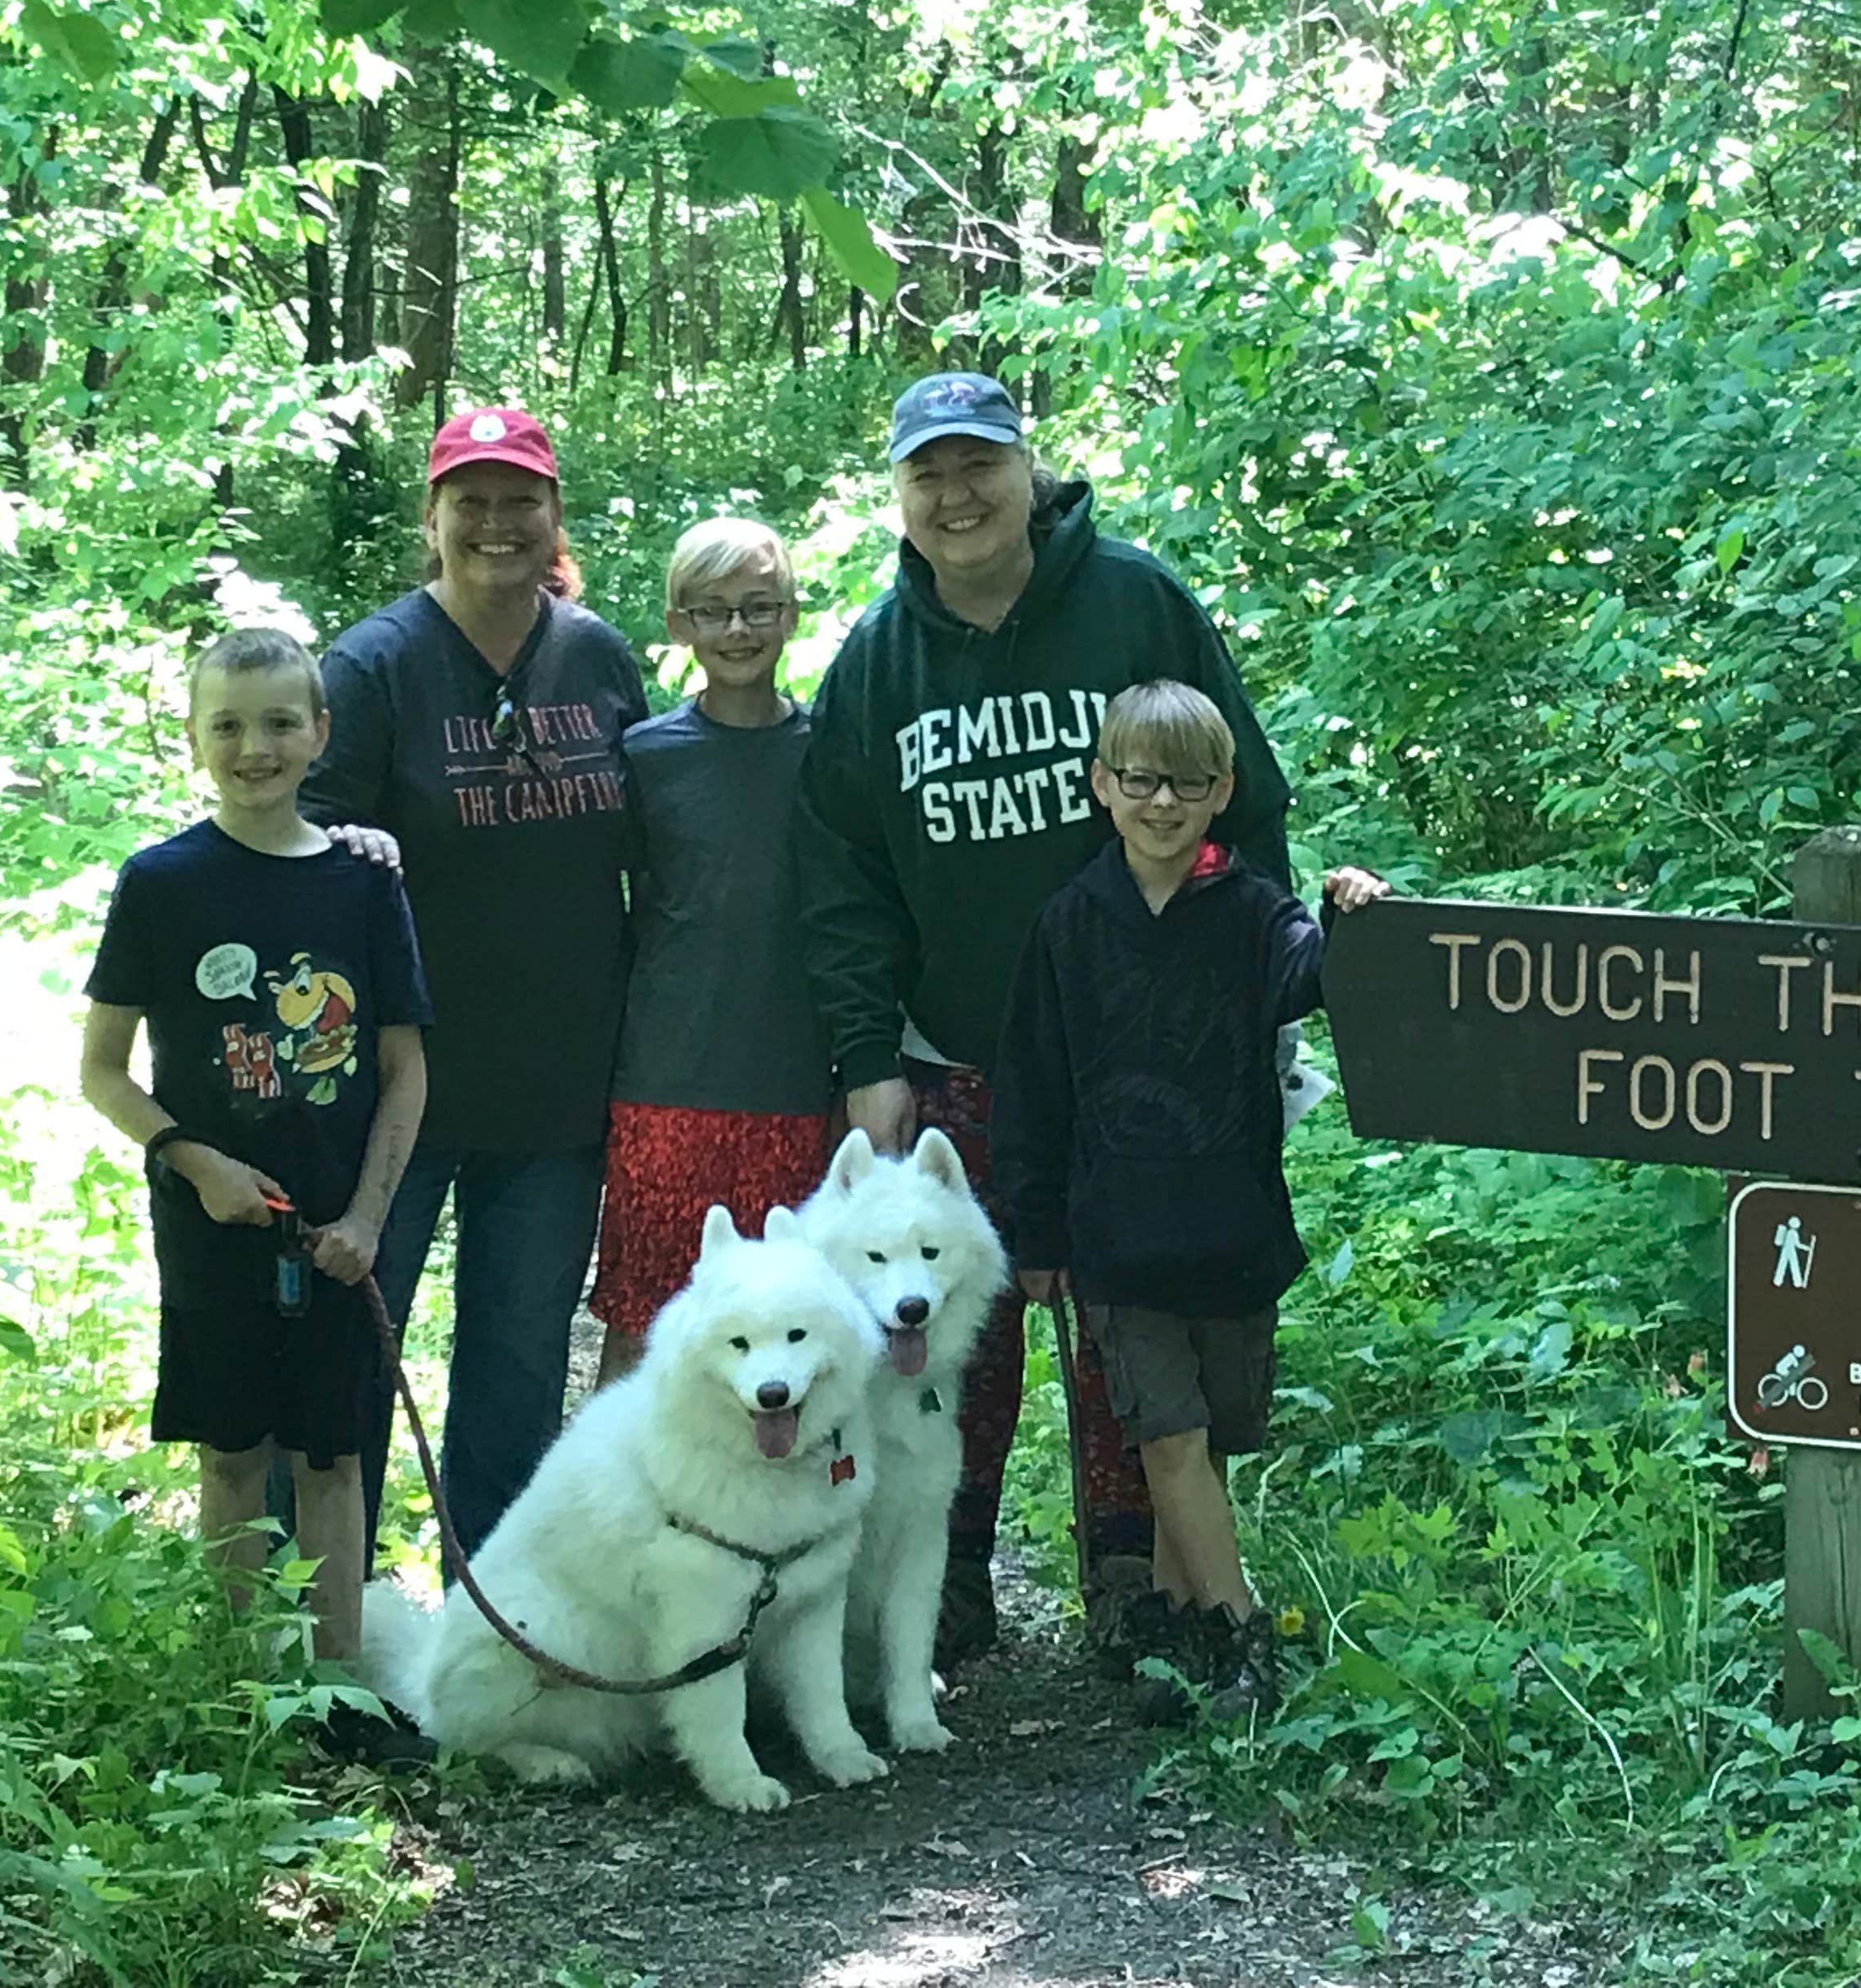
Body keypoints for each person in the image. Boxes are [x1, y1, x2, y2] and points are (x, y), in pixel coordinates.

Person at [798, 370, 1293, 1662]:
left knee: (1132, 1322)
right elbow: (840, 878)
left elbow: (1245, 800)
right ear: (899, 496)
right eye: (928, 474)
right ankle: (948, 1570)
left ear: (1030, 471)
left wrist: (1253, 1009)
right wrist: (867, 1056)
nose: (956, 496)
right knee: (954, 1325)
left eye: (980, 465)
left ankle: (1132, 1578)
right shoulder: (874, 663)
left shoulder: (1134, 604)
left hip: (1144, 1067)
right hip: (955, 1056)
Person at [995, 680, 1385, 1720]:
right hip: (1116, 1242)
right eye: (1139, 780)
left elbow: (1315, 978)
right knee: (1165, 1438)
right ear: (1102, 785)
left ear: (1222, 792)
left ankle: (1176, 1637)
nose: (1161, 802)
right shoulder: (1071, 923)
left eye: (1187, 783)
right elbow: (1032, 1086)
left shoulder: (1255, 912)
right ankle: (1248, 1643)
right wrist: (1036, 1232)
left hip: (1232, 1233)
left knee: (1205, 1445)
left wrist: (1352, 915)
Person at [77, 627, 432, 1762]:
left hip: (338, 1231)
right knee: (233, 1453)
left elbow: (404, 1068)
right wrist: (198, 1162)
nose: (255, 747)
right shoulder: (162, 884)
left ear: (320, 732)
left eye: (281, 722)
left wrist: (369, 1218)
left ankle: (338, 1694)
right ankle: (244, 1698)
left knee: (334, 1456)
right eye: (227, 725)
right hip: (211, 1229)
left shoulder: (364, 886)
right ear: (194, 739)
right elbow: (102, 1071)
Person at [302, 406, 648, 1561]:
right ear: (434, 517)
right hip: (392, 1094)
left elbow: (660, 843)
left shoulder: (596, 657)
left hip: (555, 1088)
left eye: (519, 501)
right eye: (472, 502)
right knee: (350, 1360)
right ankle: (323, 1625)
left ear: (553, 515)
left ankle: (494, 1623)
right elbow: (302, 866)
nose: (496, 524)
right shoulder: (374, 667)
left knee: (517, 1370)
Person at [588, 516, 831, 1386]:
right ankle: (619, 1478)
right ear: (678, 623)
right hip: (666, 1086)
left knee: (784, 1332)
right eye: (713, 610)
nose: (737, 629)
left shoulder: (830, 753)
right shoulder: (645, 757)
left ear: (791, 614)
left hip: (796, 1088)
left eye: (759, 607)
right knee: (647, 1326)